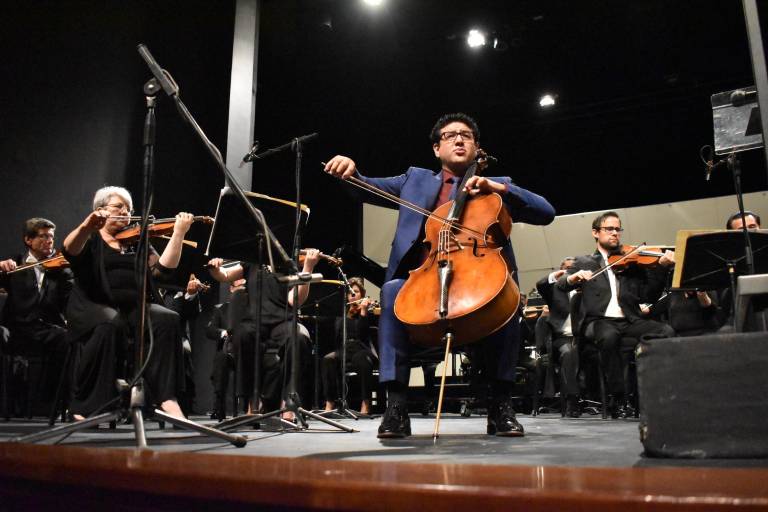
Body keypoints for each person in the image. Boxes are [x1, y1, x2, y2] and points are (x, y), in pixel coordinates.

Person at [324, 112, 556, 438]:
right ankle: (396, 407)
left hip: (479, 280)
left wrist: (498, 187)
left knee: (508, 295)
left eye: (467, 136)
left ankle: (500, 406)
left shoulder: (494, 188)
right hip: (424, 281)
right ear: (436, 149)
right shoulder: (414, 180)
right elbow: (366, 188)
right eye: (450, 136)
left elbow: (546, 212)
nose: (459, 139)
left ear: (477, 148)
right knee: (391, 290)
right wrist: (350, 172)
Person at [61, 186, 192, 419]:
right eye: (118, 207)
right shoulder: (91, 237)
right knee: (110, 323)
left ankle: (166, 398)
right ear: (100, 210)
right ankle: (87, 406)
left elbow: (163, 270)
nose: (126, 212)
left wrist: (178, 234)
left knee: (167, 318)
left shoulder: (136, 240)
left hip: (132, 307)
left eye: (129, 209)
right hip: (92, 305)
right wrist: (85, 226)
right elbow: (70, 250)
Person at [558, 211, 675, 417]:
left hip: (630, 319)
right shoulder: (584, 262)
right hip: (598, 321)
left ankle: (660, 392)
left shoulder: (631, 261)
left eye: (617, 229)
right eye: (609, 229)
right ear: (595, 232)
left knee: (665, 330)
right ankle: (618, 398)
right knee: (609, 336)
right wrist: (574, 277)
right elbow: (561, 285)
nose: (615, 233)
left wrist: (661, 269)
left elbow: (650, 294)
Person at [206, 249, 320, 417]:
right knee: (241, 335)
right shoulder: (252, 262)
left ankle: (288, 402)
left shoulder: (288, 264)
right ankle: (253, 403)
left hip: (283, 320)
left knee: (299, 338)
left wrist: (308, 267)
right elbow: (224, 275)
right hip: (255, 322)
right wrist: (215, 268)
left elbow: (294, 300)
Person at [0, 218, 72, 406]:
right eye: (43, 236)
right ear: (28, 240)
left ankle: (54, 402)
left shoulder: (60, 269)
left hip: (48, 329)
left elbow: (69, 299)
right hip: (17, 330)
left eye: (51, 237)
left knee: (68, 338)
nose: (49, 241)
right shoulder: (14, 264)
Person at [322, 277, 377, 415]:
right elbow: (337, 338)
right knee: (328, 359)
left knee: (361, 360)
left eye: (356, 292)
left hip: (362, 349)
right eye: (350, 292)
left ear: (362, 295)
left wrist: (363, 312)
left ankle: (365, 403)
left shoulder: (368, 312)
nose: (353, 295)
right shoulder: (342, 316)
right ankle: (330, 403)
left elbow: (363, 335)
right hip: (345, 349)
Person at [535, 256, 580, 417]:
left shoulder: (585, 288)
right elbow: (541, 284)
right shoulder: (555, 290)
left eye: (574, 268)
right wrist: (556, 276)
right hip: (563, 337)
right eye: (567, 268)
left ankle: (617, 401)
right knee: (568, 352)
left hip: (584, 337)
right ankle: (571, 399)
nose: (570, 271)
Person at [205, 278, 247, 420]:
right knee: (221, 360)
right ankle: (219, 407)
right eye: (239, 287)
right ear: (231, 289)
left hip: (247, 352)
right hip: (228, 350)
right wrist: (224, 333)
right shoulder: (221, 309)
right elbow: (210, 330)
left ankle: (251, 408)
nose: (242, 290)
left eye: (244, 287)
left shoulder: (252, 308)